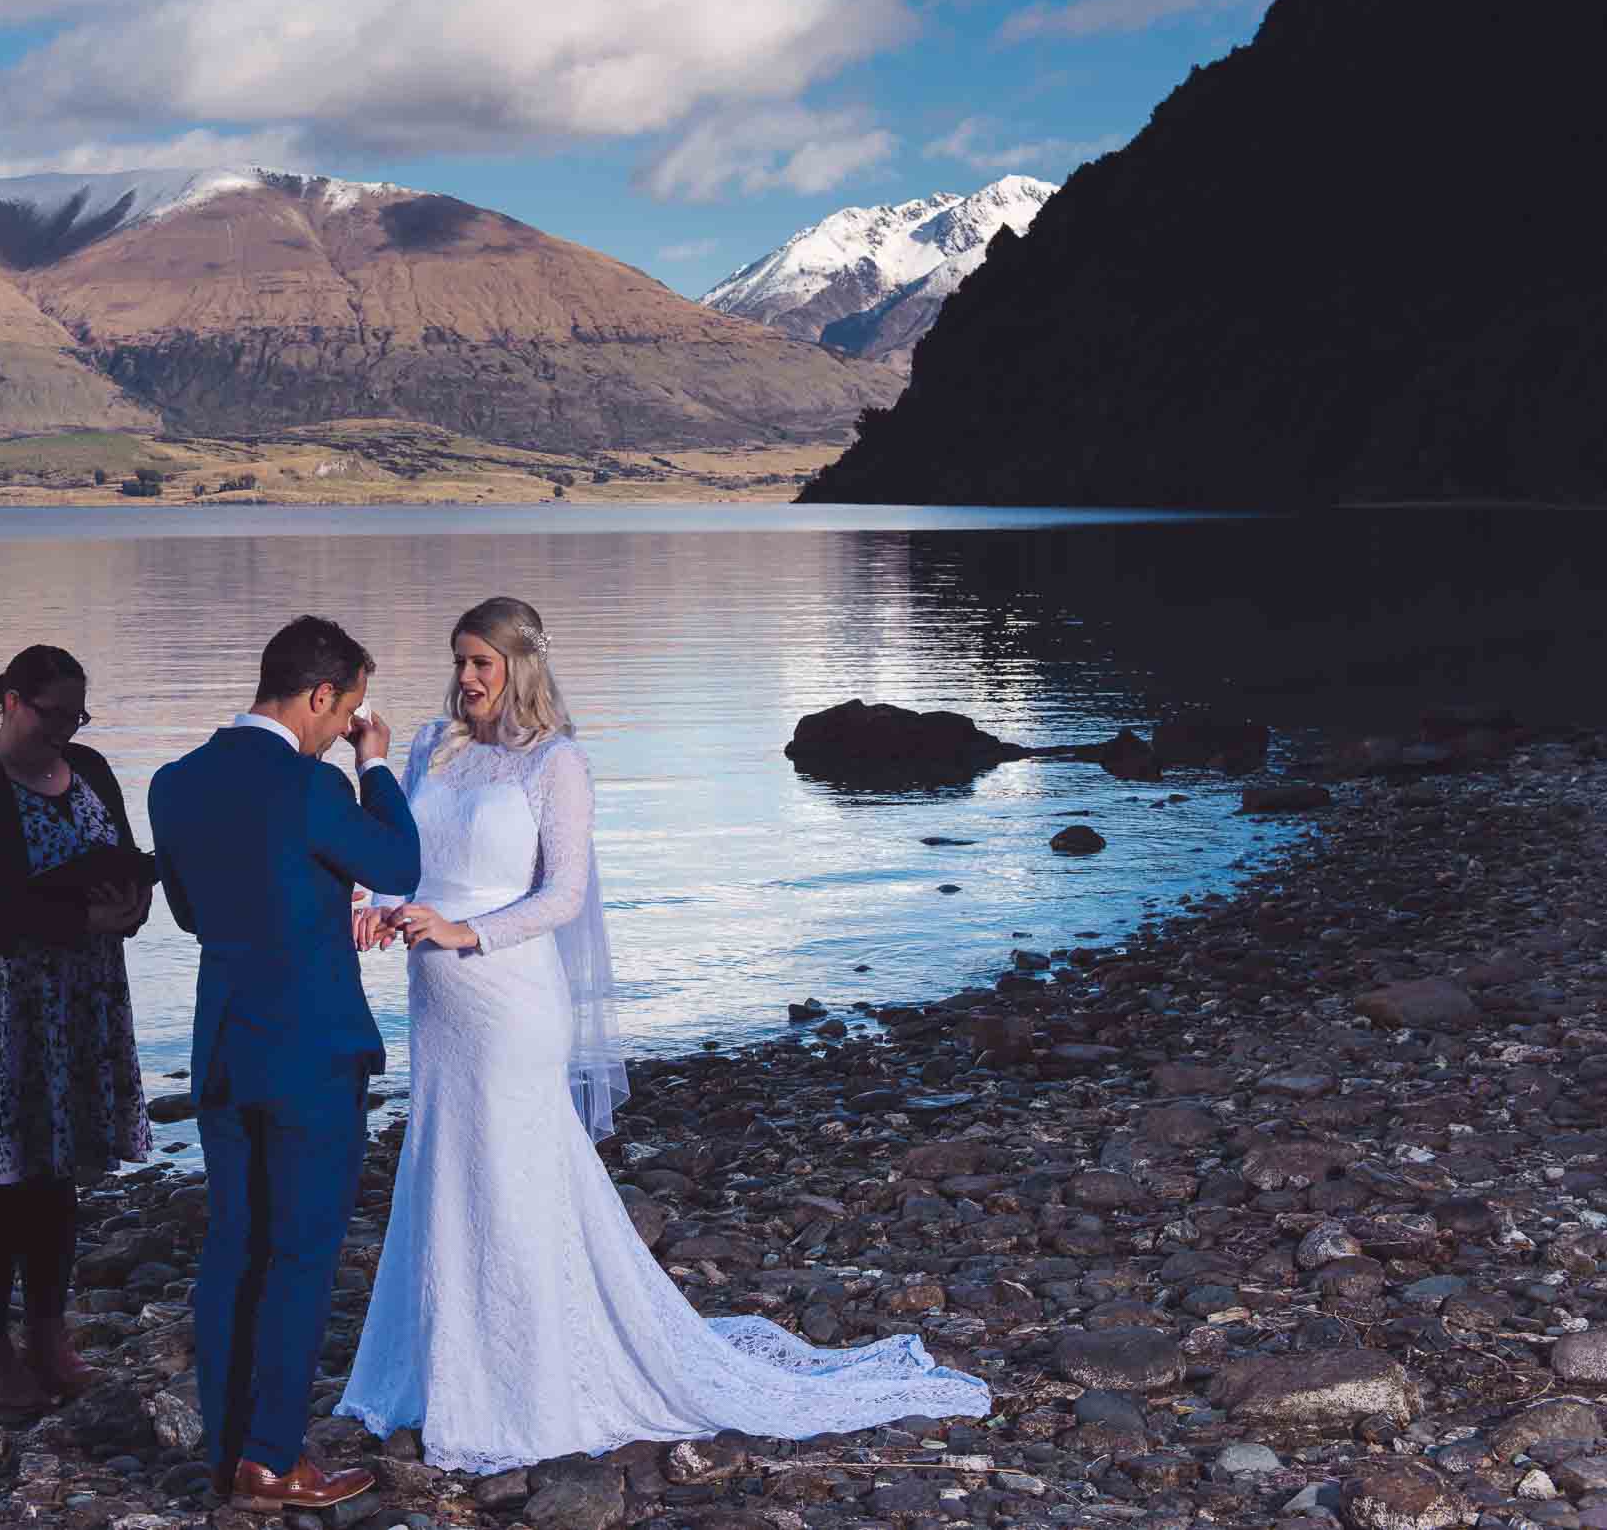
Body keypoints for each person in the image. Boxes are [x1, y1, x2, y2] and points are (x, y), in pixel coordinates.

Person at [339, 597, 990, 1473]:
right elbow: (405, 859)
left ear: (521, 667)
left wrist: (469, 932)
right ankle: (437, 1370)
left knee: (511, 1169)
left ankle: (528, 1382)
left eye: (482, 664)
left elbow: (563, 894)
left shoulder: (556, 764)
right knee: (444, 1167)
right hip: (436, 1006)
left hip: (508, 996)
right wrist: (378, 908)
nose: (465, 679)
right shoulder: (431, 745)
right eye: (459, 661)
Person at [149, 616, 421, 1514]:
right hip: (309, 1049)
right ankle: (272, 1460)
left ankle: (228, 1454)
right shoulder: (309, 785)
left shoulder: (174, 782)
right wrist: (372, 765)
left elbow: (189, 913)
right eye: (343, 709)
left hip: (223, 1047)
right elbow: (398, 862)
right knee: (301, 1257)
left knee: (232, 1249)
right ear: (321, 697)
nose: (341, 723)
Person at [0, 645, 153, 1413]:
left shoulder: (92, 769)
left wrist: (129, 909)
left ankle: (50, 1337)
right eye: (53, 714)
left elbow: (119, 858)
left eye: (76, 715)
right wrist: (81, 914)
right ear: (11, 700)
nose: (66, 729)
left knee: (59, 1173)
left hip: (80, 994)